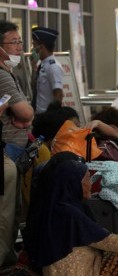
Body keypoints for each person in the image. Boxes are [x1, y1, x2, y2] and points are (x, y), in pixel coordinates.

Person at [24, 152, 118, 275]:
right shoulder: (70, 213)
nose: (90, 184)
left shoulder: (54, 207)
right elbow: (111, 242)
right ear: (74, 183)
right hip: (81, 270)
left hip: (63, 269)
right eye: (86, 179)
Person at [0, 20, 34, 267]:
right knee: (6, 213)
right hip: (7, 150)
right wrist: (23, 114)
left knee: (11, 212)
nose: (19, 46)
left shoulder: (10, 72)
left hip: (13, 149)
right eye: (13, 42)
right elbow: (26, 113)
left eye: (20, 41)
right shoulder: (2, 76)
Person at [31, 27, 64, 114]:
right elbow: (34, 87)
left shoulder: (53, 67)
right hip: (38, 114)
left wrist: (52, 115)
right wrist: (33, 66)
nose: (32, 48)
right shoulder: (42, 65)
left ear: (41, 48)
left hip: (46, 115)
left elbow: (58, 94)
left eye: (34, 45)